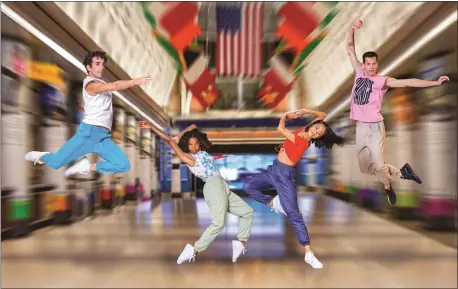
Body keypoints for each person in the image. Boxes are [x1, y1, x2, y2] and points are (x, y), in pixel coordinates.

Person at [346, 20, 449, 205]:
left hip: (375, 126)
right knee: (365, 168)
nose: (371, 67)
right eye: (368, 64)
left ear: (377, 65)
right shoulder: (359, 71)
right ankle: (403, 172)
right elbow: (349, 47)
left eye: (374, 64)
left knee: (379, 165)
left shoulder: (382, 81)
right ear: (364, 63)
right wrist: (352, 28)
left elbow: (409, 82)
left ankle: (388, 187)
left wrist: (434, 83)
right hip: (360, 128)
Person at [244, 108, 344, 269]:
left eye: (319, 133)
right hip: (273, 169)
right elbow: (323, 116)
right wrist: (305, 111)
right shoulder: (305, 130)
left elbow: (281, 129)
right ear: (314, 125)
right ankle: (273, 204)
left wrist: (285, 115)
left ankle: (309, 253)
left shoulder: (303, 140)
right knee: (249, 186)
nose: (317, 131)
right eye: (317, 127)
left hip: (285, 176)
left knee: (294, 214)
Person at [25, 51, 151, 176]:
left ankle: (86, 167)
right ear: (88, 67)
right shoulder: (90, 84)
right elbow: (115, 85)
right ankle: (41, 156)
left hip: (103, 137)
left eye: (102, 64)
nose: (101, 67)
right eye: (97, 64)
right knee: (56, 162)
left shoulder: (101, 84)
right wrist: (134, 82)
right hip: (88, 133)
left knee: (123, 165)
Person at [155, 124, 254, 264]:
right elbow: (170, 141)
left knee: (247, 212)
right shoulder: (190, 159)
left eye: (195, 144)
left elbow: (193, 126)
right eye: (190, 145)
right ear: (187, 147)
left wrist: (180, 135)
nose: (193, 147)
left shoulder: (203, 154)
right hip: (213, 186)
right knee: (218, 224)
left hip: (222, 185)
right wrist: (155, 130)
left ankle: (240, 243)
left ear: (199, 144)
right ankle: (193, 250)